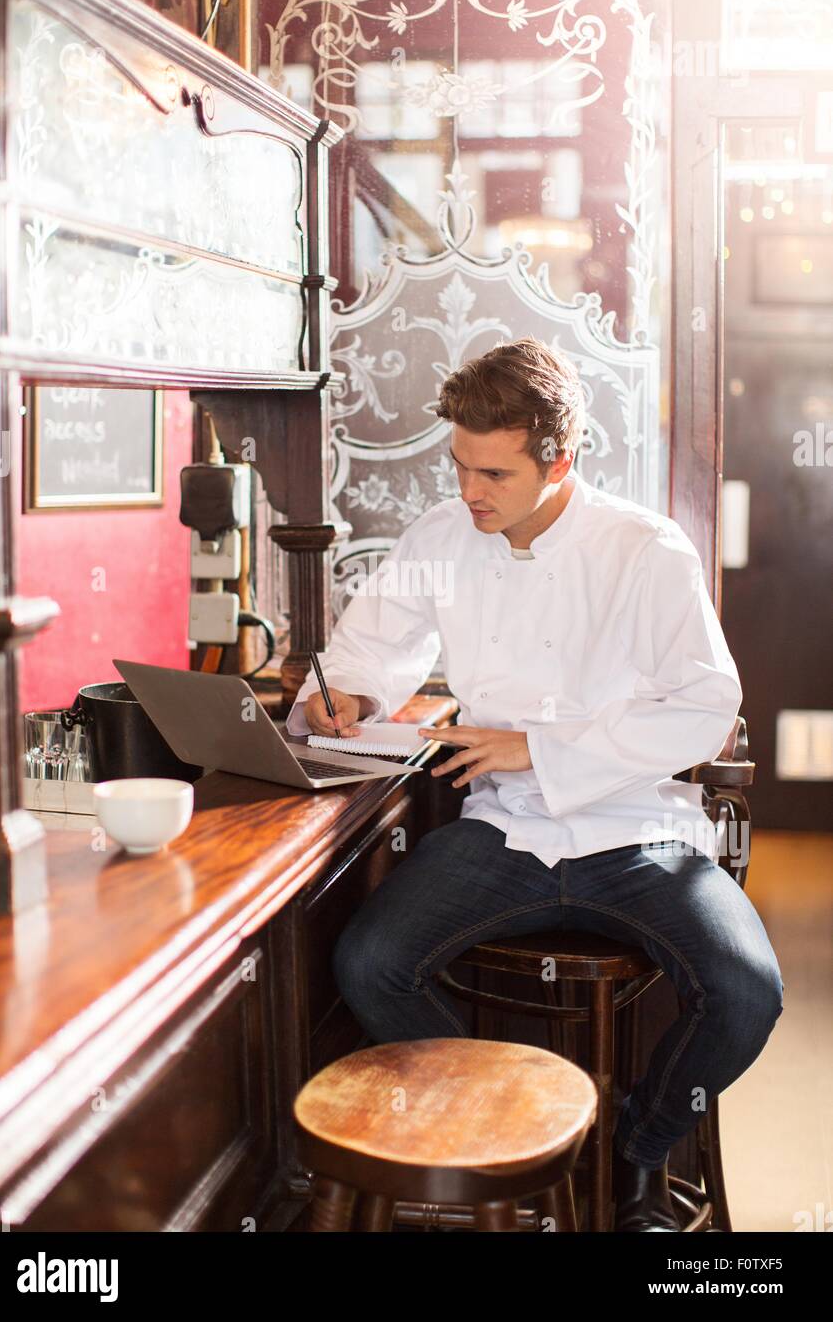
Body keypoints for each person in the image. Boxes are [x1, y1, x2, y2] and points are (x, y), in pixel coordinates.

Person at [286, 336, 784, 1231]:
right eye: (460, 467)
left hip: (639, 832)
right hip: (504, 833)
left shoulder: (646, 550)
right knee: (368, 963)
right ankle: (520, 1122)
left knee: (747, 990)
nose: (470, 493)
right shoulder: (443, 536)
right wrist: (347, 696)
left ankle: (633, 1152)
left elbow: (706, 709)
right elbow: (372, 652)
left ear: (561, 461)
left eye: (496, 475)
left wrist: (538, 747)